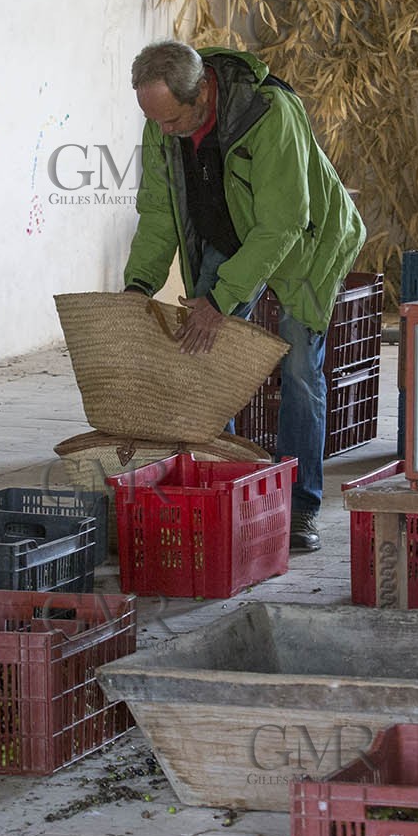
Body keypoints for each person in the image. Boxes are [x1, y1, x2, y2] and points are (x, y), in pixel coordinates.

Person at [122, 41, 365, 552]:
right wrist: (138, 286)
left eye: (172, 122)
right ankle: (225, 487)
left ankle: (301, 506)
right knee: (207, 359)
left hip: (304, 240)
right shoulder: (163, 119)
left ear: (204, 93)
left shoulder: (270, 112)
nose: (163, 132)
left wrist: (222, 300)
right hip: (229, 235)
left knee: (299, 365)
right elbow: (159, 212)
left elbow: (281, 225)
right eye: (155, 122)